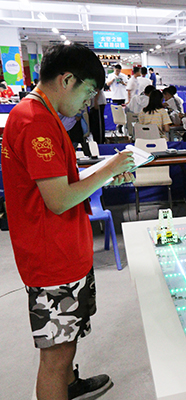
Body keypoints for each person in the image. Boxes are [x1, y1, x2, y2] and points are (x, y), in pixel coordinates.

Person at [1, 43, 136, 400]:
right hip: (52, 259)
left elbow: (62, 181)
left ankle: (69, 386)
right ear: (66, 80)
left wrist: (106, 174)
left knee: (67, 340)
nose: (88, 102)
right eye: (88, 92)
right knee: (56, 355)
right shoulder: (35, 123)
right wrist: (108, 168)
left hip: (64, 252)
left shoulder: (43, 115)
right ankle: (60, 386)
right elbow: (59, 200)